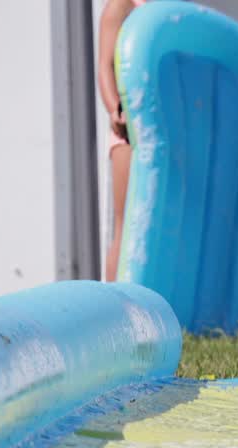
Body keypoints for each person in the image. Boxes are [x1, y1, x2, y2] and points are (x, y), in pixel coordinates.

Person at [97, 0, 148, 281]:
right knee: (126, 220)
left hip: (167, 123)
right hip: (129, 127)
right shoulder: (121, 5)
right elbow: (104, 66)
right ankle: (117, 307)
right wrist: (113, 106)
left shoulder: (176, 6)